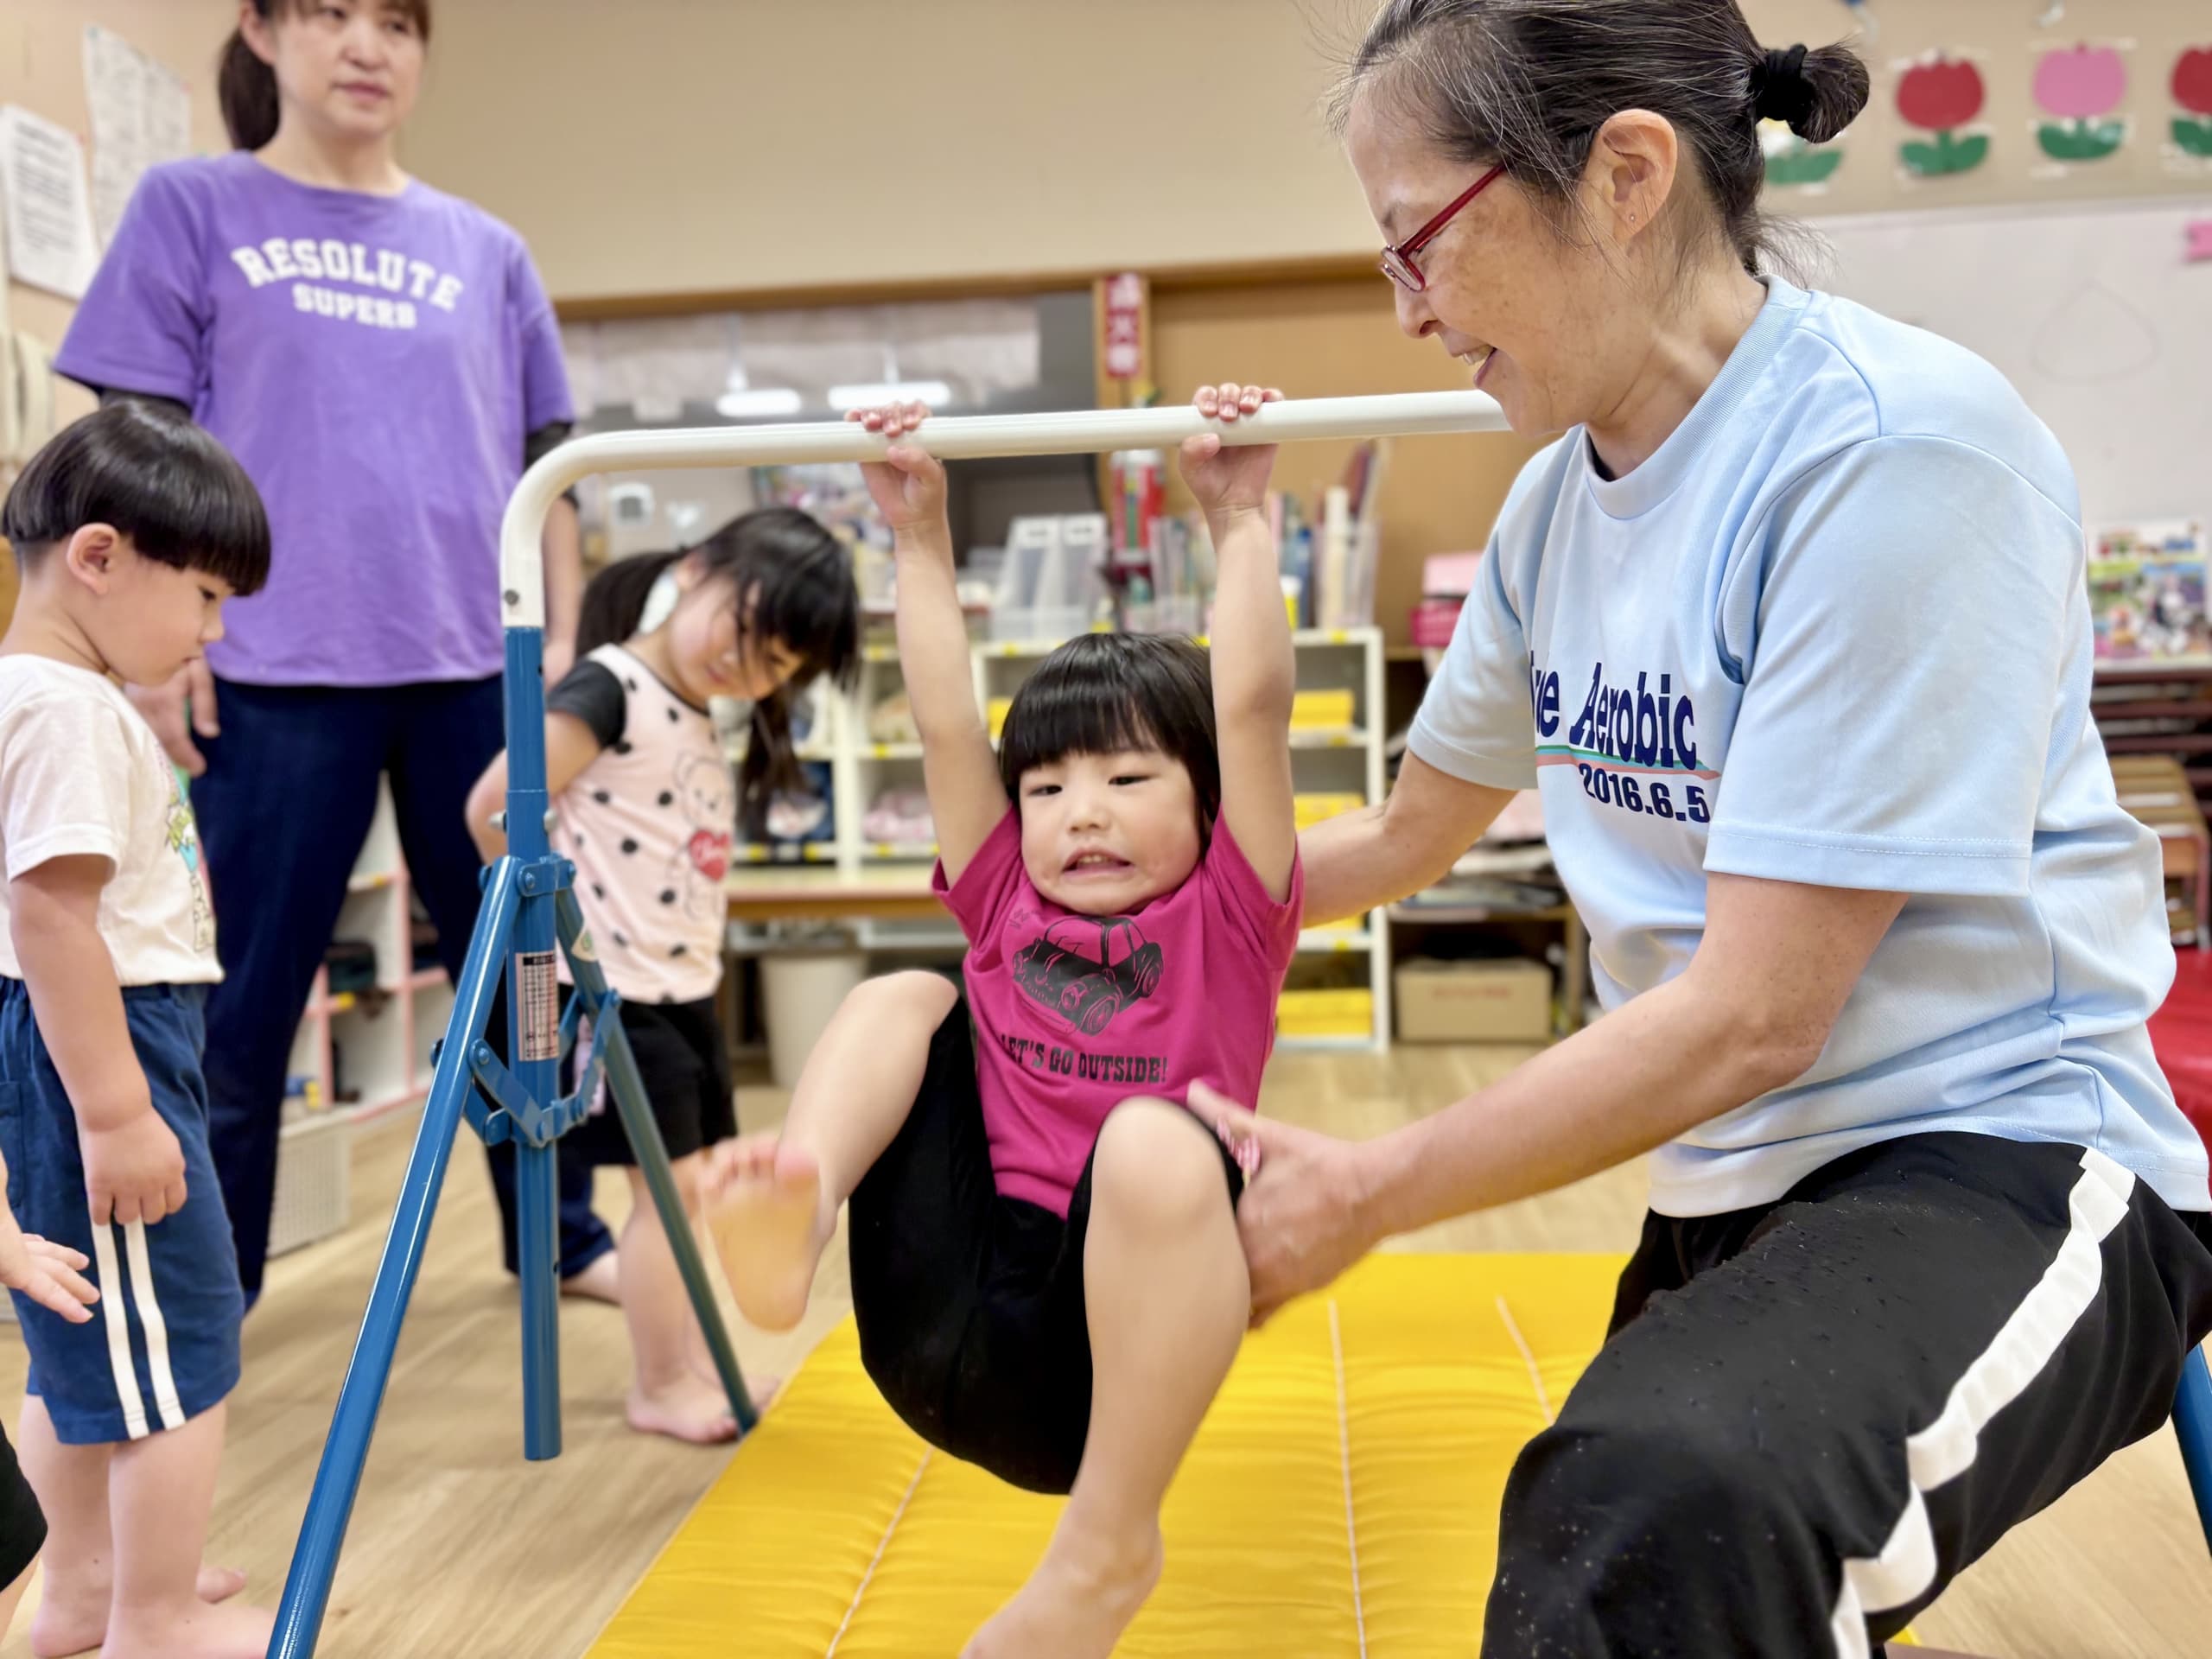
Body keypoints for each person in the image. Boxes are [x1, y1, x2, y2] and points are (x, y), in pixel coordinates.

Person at [1184, 5, 2212, 1656]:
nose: (1409, 312)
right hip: (1739, 1177)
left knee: (1667, 1504)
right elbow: (1392, 841)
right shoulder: (1549, 513)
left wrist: (1367, 1189)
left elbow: (1759, 1010)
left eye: (1417, 246)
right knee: (1608, 1525)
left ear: (1627, 174)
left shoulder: (1891, 451)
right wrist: (1117, 924)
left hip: (2006, 1151)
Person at [703, 389, 1302, 1659]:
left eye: (1129, 780)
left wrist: (1239, 518)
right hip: (937, 1316)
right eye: (1047, 787)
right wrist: (916, 539)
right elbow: (941, 721)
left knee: (1153, 1138)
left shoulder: (1236, 913)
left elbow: (1249, 708)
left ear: (1205, 812)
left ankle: (1107, 1550)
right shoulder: (1003, 902)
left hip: (1106, 1367)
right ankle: (792, 1227)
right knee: (903, 996)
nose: (1080, 813)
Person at [53, 0, 620, 1308]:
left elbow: (554, 470)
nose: (368, 46)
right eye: (332, 14)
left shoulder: (489, 249)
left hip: (475, 670)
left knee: (522, 980)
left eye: (398, 23)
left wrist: (565, 643)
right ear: (261, 32)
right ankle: (213, 1285)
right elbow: (135, 462)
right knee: (235, 1002)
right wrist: (147, 650)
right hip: (263, 671)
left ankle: (564, 1241)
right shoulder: (191, 207)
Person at [465, 510, 858, 1444]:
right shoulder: (610, 686)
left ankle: (689, 1366)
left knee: (689, 1191)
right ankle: (662, 1381)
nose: (747, 668)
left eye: (774, 664)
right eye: (741, 631)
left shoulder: (687, 707)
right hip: (612, 992)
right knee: (667, 1197)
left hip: (678, 989)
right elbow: (494, 811)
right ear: (694, 571)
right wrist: (555, 947)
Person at [0, 404, 276, 1659]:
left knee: (87, 1340)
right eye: (208, 597)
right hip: (102, 1047)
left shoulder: (62, 693)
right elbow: (53, 917)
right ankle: (150, 1626)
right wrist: (118, 1113)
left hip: (84, 1037)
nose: (213, 632)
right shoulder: (60, 709)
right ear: (100, 558)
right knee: (185, 1346)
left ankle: (88, 1590)